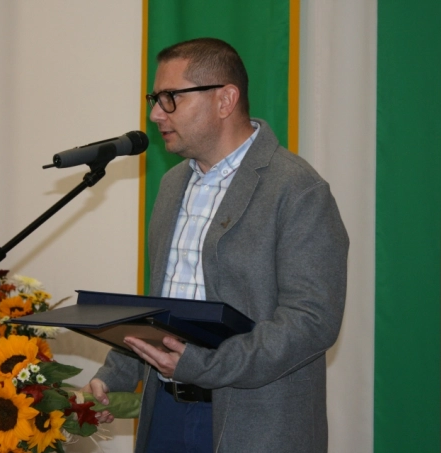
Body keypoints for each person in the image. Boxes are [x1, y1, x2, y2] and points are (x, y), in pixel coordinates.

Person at [83, 37, 349, 453]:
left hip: (257, 423)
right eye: (155, 99)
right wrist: (114, 375)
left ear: (225, 100)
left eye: (170, 98)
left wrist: (204, 365)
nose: (156, 114)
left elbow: (311, 322)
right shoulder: (173, 184)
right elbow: (165, 305)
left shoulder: (298, 189)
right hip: (165, 412)